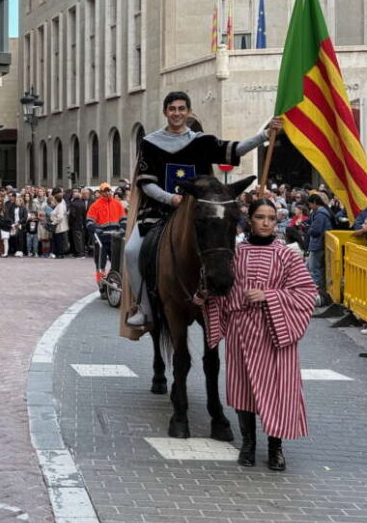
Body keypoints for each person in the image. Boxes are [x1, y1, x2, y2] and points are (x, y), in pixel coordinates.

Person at [125, 92, 281, 327]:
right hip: (161, 212)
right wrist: (172, 199)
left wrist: (264, 134)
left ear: (188, 112)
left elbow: (236, 149)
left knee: (227, 247)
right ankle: (144, 308)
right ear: (165, 112)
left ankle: (230, 302)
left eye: (181, 108)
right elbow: (146, 183)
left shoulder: (202, 141)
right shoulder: (149, 143)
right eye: (172, 109)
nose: (177, 113)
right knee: (131, 251)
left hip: (203, 214)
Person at [203, 199, 317, 471]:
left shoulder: (287, 254)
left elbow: (308, 293)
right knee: (243, 389)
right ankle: (248, 444)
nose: (266, 222)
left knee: (277, 391)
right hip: (242, 331)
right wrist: (206, 294)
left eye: (271, 218)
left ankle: (276, 448)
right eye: (260, 217)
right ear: (249, 219)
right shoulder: (235, 253)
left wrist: (270, 295)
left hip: (275, 332)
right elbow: (221, 287)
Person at [305, 193, 332, 297]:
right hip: (321, 243)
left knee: (314, 269)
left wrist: (308, 228)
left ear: (315, 203)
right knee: (314, 268)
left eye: (310, 204)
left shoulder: (320, 214)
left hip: (318, 244)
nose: (310, 207)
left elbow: (316, 230)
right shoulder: (322, 212)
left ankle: (315, 293)